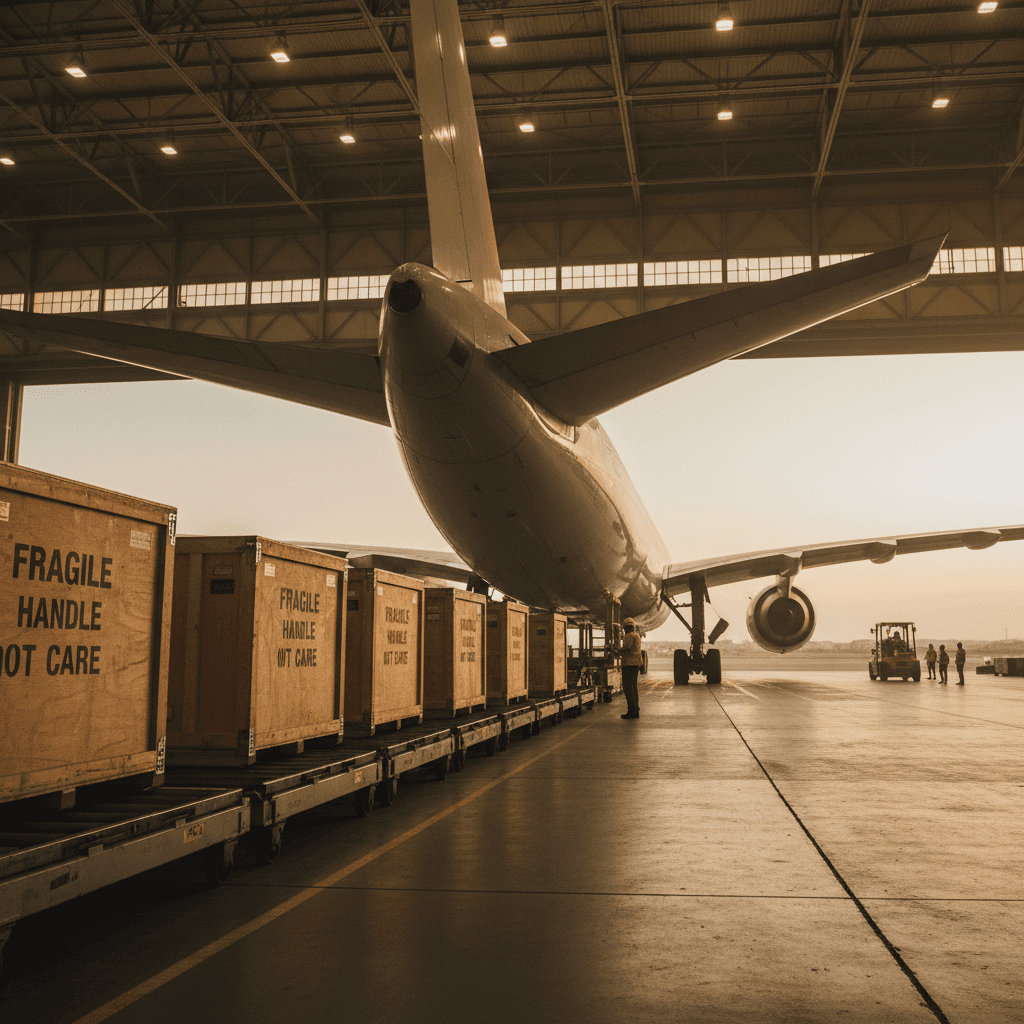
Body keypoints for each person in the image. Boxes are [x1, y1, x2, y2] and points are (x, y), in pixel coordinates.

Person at [620, 618, 643, 719]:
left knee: (628, 689)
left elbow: (628, 650)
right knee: (633, 688)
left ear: (625, 627)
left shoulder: (628, 636)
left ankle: (631, 711)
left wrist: (616, 652)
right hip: (636, 664)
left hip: (629, 665)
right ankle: (635, 710)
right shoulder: (636, 636)